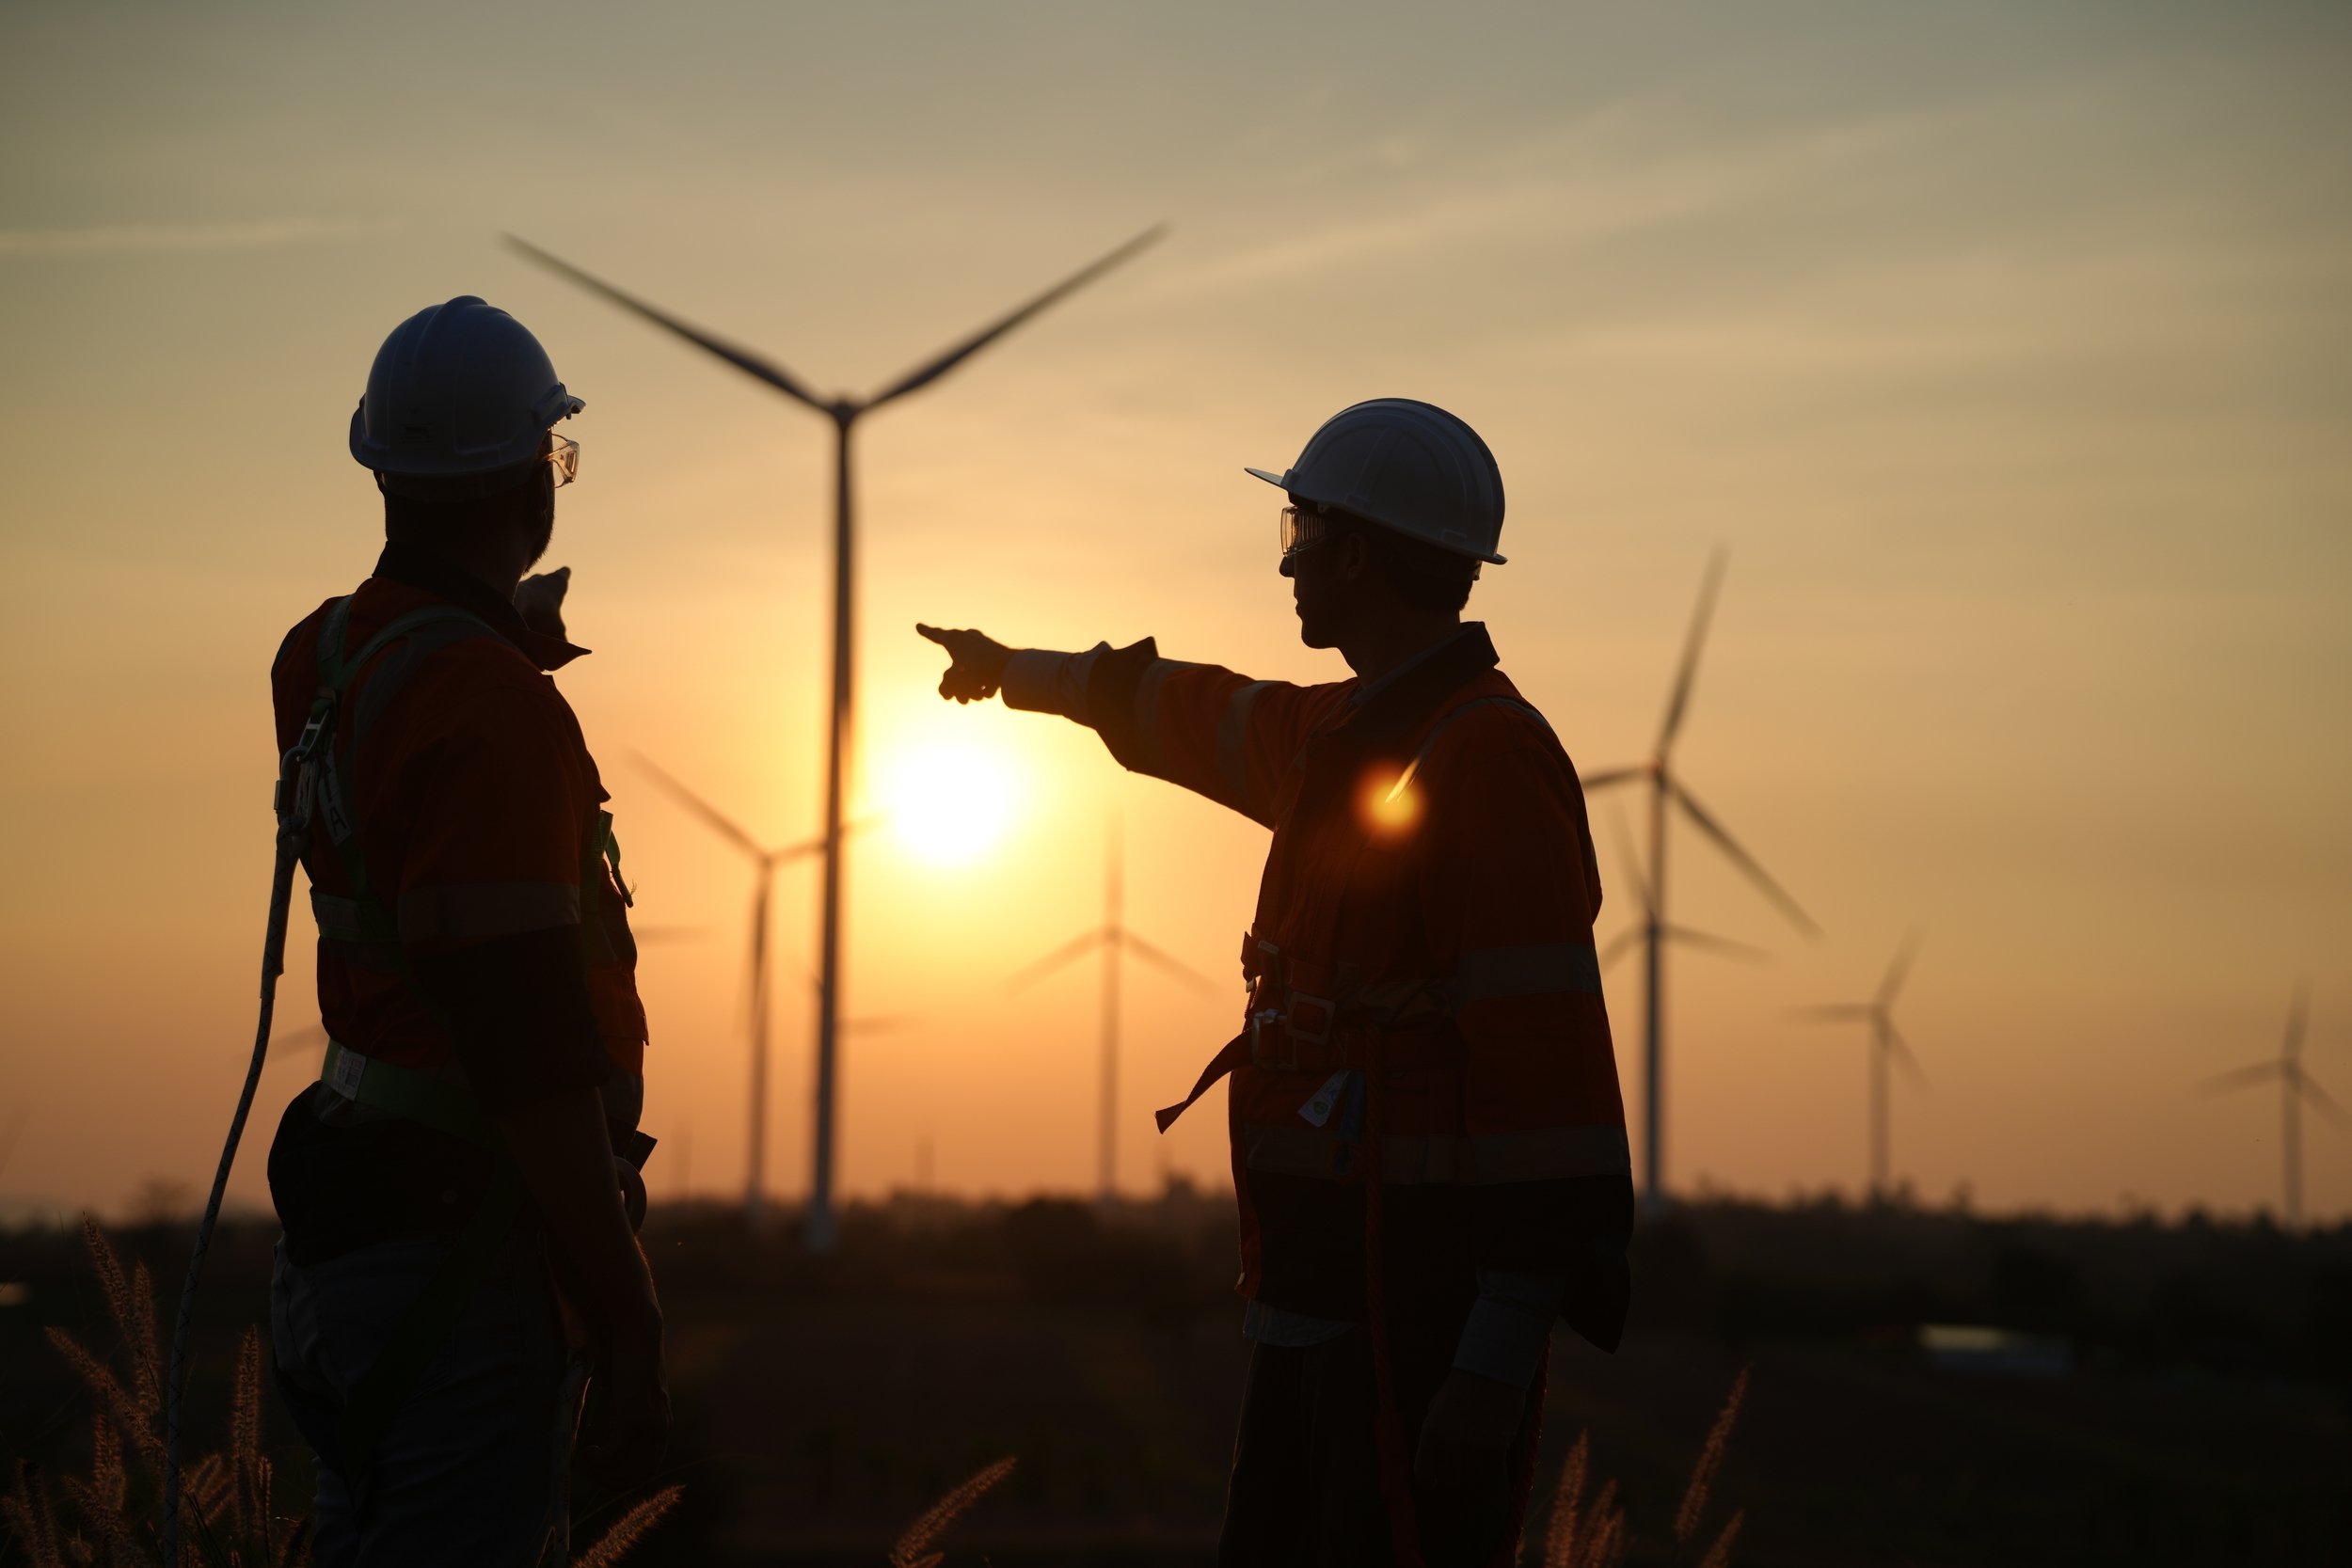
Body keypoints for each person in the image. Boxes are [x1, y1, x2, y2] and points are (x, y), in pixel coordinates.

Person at [920, 399, 1633, 1566]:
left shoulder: (1484, 758)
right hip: (1314, 1292)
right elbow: (1183, 706)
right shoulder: (1342, 734)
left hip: (1417, 1321)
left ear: (1357, 554)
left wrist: (1492, 1366)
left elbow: (1545, 1081)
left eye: (1302, 529)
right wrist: (1012, 671)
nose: (1288, 560)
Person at [265, 296, 670, 1565]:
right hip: (456, 1251)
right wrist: (625, 1300)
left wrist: (495, 636)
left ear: (385, 472)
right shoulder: (487, 701)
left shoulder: (324, 652)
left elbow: (404, 823)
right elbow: (522, 1041)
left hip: (345, 1232)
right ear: (533, 481)